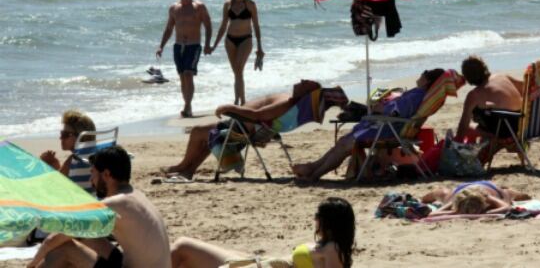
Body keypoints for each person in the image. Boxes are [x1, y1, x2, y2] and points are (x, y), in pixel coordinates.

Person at [28, 146, 171, 268]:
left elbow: (52, 240)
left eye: (93, 173)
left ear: (106, 174)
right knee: (82, 236)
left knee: (65, 248)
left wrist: (33, 263)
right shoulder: (136, 196)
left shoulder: (114, 204)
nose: (91, 180)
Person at [292, 69, 446, 182]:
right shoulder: (419, 95)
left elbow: (395, 112)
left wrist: (379, 108)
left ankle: (314, 174)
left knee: (345, 144)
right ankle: (312, 168)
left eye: (424, 73)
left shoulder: (417, 95)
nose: (420, 74)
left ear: (426, 80)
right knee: (343, 142)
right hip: (390, 128)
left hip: (388, 130)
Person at [162, 79, 322, 179]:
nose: (301, 80)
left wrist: (230, 107)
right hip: (245, 125)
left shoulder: (286, 104)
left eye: (305, 83)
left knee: (198, 131)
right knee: (205, 133)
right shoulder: (291, 103)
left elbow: (257, 114)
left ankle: (183, 166)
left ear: (306, 93)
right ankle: (188, 170)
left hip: (241, 127)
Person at [170, 197, 355, 268]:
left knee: (183, 248)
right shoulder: (327, 246)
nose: (314, 219)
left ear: (329, 222)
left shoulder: (333, 248)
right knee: (183, 247)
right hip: (261, 262)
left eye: (318, 215)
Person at [157, 0, 213, 118]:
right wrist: (161, 46)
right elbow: (169, 29)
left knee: (189, 74)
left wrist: (207, 44)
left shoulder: (199, 7)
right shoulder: (174, 8)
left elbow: (208, 26)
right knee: (182, 76)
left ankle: (187, 106)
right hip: (178, 46)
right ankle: (187, 105)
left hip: (193, 46)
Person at [212, 0, 264, 105]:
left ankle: (241, 101)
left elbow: (256, 26)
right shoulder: (227, 4)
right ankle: (239, 100)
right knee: (236, 71)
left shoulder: (250, 4)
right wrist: (214, 45)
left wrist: (260, 47)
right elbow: (223, 25)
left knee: (239, 68)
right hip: (230, 40)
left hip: (245, 39)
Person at [454, 56, 523, 141]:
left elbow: (463, 126)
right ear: (484, 67)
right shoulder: (502, 77)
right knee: (487, 112)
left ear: (468, 78)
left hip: (505, 131)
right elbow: (526, 88)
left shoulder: (474, 95)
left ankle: (488, 138)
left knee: (469, 127)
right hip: (522, 124)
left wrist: (456, 142)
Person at [421, 181, 530, 216]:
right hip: (462, 190)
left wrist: (489, 212)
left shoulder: (487, 198)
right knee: (441, 193)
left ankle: (512, 191)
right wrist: (454, 211)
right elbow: (432, 214)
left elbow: (507, 206)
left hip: (489, 188)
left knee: (508, 195)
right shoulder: (456, 201)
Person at [40, 109, 96, 177]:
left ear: (79, 136)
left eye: (65, 134)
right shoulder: (96, 156)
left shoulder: (74, 160)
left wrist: (46, 166)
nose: (60, 138)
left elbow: (56, 183)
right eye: (61, 133)